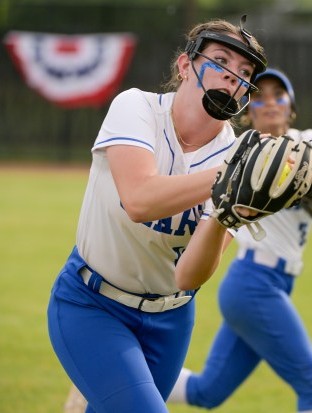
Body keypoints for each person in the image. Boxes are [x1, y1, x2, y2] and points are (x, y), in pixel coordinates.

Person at [48, 16, 268, 413]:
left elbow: (190, 275)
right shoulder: (137, 107)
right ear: (185, 66)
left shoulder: (242, 159)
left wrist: (227, 213)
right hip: (93, 304)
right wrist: (229, 178)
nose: (233, 77)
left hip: (172, 320)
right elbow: (140, 201)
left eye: (245, 72)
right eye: (220, 61)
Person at [167, 68, 312, 413]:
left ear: (291, 106)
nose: (270, 102)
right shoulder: (238, 153)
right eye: (259, 95)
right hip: (251, 283)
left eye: (279, 94)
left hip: (277, 282)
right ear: (248, 109)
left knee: (208, 391)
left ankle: (112, 384)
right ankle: (111, 383)